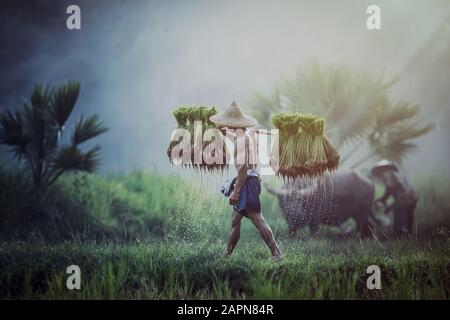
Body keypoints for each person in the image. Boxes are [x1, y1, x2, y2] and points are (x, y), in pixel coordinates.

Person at [209, 102, 282, 259]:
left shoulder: (242, 140)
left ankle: (276, 252)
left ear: (232, 124)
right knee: (235, 219)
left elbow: (242, 168)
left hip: (246, 182)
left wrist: (236, 192)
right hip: (251, 180)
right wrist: (223, 133)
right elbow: (237, 137)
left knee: (257, 218)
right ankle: (227, 255)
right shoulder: (248, 134)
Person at [371, 159, 417, 236]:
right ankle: (408, 237)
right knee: (408, 220)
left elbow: (389, 190)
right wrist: (382, 200)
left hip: (403, 199)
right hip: (412, 198)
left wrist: (383, 201)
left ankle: (399, 238)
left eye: (382, 170)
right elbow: (391, 191)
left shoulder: (389, 175)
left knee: (399, 221)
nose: (381, 172)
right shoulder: (397, 175)